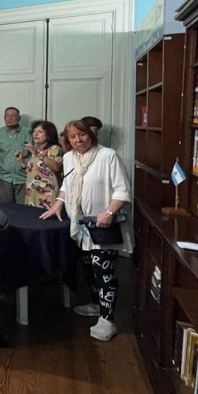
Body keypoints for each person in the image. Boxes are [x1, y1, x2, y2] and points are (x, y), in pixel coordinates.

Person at [40, 120, 131, 342]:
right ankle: (94, 304)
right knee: (88, 269)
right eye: (72, 137)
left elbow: (122, 190)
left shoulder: (107, 156)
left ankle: (107, 319)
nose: (78, 140)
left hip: (102, 226)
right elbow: (66, 185)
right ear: (67, 140)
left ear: (90, 135)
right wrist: (58, 203)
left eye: (81, 135)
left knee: (104, 273)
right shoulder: (69, 157)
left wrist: (108, 213)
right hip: (80, 226)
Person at [14, 120, 63, 209]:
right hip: (32, 191)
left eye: (40, 132)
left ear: (49, 135)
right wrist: (21, 161)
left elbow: (56, 167)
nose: (35, 134)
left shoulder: (54, 148)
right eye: (34, 131)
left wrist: (37, 154)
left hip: (46, 192)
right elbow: (33, 172)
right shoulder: (37, 150)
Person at [0, 106, 31, 203]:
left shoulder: (28, 133)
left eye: (13, 116)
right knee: (4, 209)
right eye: (7, 116)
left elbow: (35, 153)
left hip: (23, 178)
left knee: (23, 210)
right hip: (3, 177)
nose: (10, 118)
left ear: (19, 118)